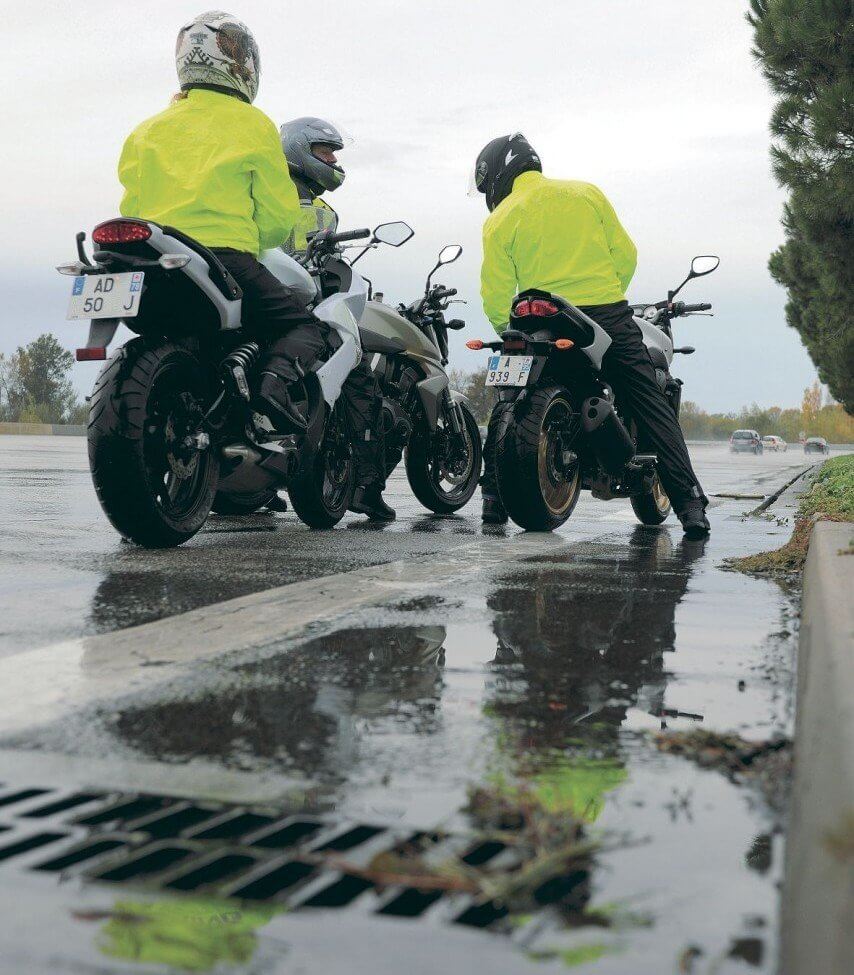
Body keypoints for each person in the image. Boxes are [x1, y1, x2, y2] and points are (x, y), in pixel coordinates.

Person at [471, 133, 710, 538]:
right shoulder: (586, 194)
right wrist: (607, 293)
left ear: (500, 174)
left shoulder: (499, 218)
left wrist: (505, 329)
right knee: (649, 401)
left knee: (509, 390)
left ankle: (493, 502)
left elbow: (494, 290)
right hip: (602, 313)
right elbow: (626, 255)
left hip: (533, 316)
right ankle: (689, 505)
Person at [118, 11, 323, 435]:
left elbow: (132, 203)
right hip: (223, 257)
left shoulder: (147, 129)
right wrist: (258, 237)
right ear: (242, 64)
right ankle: (272, 390)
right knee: (305, 326)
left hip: (149, 257)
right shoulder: (253, 124)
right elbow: (276, 217)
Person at [280, 117, 394, 521]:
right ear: (298, 151)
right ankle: (367, 487)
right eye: (324, 152)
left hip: (273, 300)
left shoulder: (314, 208)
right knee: (360, 381)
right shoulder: (287, 202)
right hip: (303, 309)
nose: (331, 159)